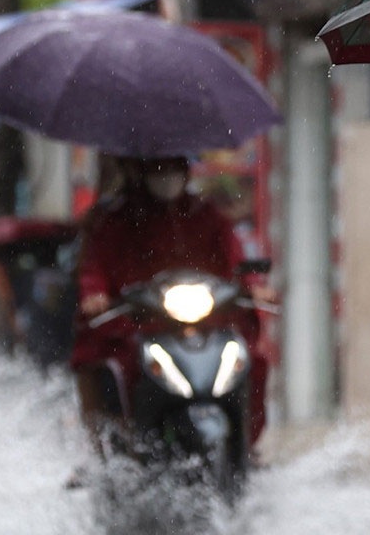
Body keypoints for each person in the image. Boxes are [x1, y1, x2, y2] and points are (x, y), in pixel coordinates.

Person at [71, 156, 267, 460]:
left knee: (251, 360)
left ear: (186, 171)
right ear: (140, 171)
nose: (166, 176)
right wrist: (95, 294)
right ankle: (111, 452)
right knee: (107, 366)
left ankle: (247, 447)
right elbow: (95, 268)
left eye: (172, 168)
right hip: (137, 324)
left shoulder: (207, 215)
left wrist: (254, 284)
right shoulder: (117, 219)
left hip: (207, 322)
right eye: (157, 168)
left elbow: (236, 259)